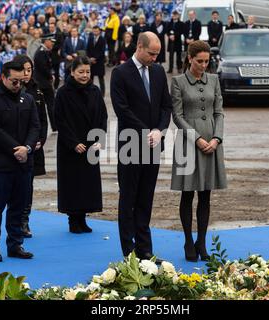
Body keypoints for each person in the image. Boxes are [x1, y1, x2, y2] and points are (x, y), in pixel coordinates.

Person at [110, 32, 172, 263]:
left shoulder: (157, 71)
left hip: (154, 144)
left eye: (157, 54)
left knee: (146, 198)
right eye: (151, 53)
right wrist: (146, 130)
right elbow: (122, 109)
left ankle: (145, 249)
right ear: (139, 46)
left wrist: (159, 130)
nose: (155, 58)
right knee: (128, 198)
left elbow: (166, 106)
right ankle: (129, 251)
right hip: (130, 144)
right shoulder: (120, 73)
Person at [170, 40, 227, 262]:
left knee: (206, 195)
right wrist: (197, 139)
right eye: (199, 61)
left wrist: (216, 138)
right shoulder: (177, 82)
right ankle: (187, 241)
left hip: (212, 144)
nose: (203, 65)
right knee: (187, 194)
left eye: (207, 61)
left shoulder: (214, 80)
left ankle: (201, 242)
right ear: (189, 59)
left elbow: (219, 112)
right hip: (187, 144)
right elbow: (177, 115)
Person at [0, 60, 41, 262]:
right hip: (0, 164)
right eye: (14, 81)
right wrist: (16, 149)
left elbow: (35, 126)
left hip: (24, 163)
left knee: (18, 205)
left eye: (20, 81)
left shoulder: (28, 99)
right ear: (3, 78)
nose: (18, 85)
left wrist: (28, 148)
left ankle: (15, 244)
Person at [54, 56, 108, 234]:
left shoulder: (95, 91)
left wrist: (100, 138)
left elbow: (102, 116)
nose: (85, 75)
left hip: (90, 146)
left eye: (87, 72)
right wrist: (73, 143)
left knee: (87, 184)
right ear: (72, 72)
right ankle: (73, 219)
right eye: (81, 72)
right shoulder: (63, 93)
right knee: (72, 184)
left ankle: (83, 218)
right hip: (71, 147)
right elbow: (59, 120)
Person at [12, 55, 48, 239]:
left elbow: (42, 119)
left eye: (29, 70)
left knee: (28, 185)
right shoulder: (12, 88)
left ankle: (24, 221)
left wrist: (40, 139)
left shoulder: (37, 91)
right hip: (14, 146)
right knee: (14, 186)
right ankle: (14, 220)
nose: (26, 74)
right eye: (23, 69)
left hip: (33, 147)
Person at [34, 34, 57, 132]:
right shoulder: (41, 52)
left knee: (49, 105)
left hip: (44, 82)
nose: (52, 43)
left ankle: (54, 126)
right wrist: (51, 76)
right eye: (50, 41)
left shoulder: (44, 52)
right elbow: (43, 68)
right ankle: (52, 126)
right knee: (48, 105)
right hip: (43, 83)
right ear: (46, 41)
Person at [87, 26, 107, 97]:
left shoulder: (102, 39)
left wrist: (95, 58)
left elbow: (102, 51)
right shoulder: (90, 38)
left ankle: (102, 94)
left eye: (96, 31)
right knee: (90, 78)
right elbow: (88, 49)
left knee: (101, 78)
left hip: (99, 62)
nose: (95, 32)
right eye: (94, 31)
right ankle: (90, 92)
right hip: (91, 62)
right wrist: (90, 58)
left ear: (99, 31)